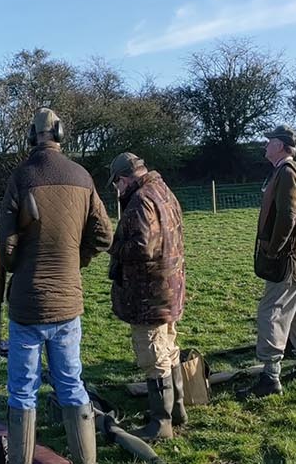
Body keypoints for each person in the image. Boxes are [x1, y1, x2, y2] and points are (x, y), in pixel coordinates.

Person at [0, 108, 111, 464]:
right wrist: (76, 260)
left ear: (32, 136)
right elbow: (104, 235)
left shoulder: (21, 177)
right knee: (71, 384)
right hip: (67, 301)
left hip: (28, 303)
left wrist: (17, 262)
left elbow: (5, 245)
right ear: (60, 133)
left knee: (22, 390)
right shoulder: (82, 176)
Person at [106, 153, 188, 440]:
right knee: (168, 346)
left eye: (116, 184)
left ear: (124, 178)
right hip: (169, 286)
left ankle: (160, 422)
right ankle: (177, 409)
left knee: (153, 354)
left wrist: (113, 248)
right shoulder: (163, 191)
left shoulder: (141, 200)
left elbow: (142, 247)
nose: (117, 190)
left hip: (148, 293)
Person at [241, 126, 296, 399]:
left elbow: (287, 216)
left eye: (268, 142)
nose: (265, 146)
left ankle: (270, 377)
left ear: (280, 145)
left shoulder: (286, 173)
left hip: (288, 258)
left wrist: (274, 250)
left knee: (271, 312)